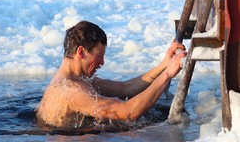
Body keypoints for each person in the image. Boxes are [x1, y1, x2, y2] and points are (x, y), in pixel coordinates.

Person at [36, 20, 187, 128]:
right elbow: (129, 113)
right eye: (99, 55)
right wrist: (167, 74)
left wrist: (164, 65)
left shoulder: (78, 80)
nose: (102, 63)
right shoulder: (72, 91)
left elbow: (125, 89)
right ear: (81, 52)